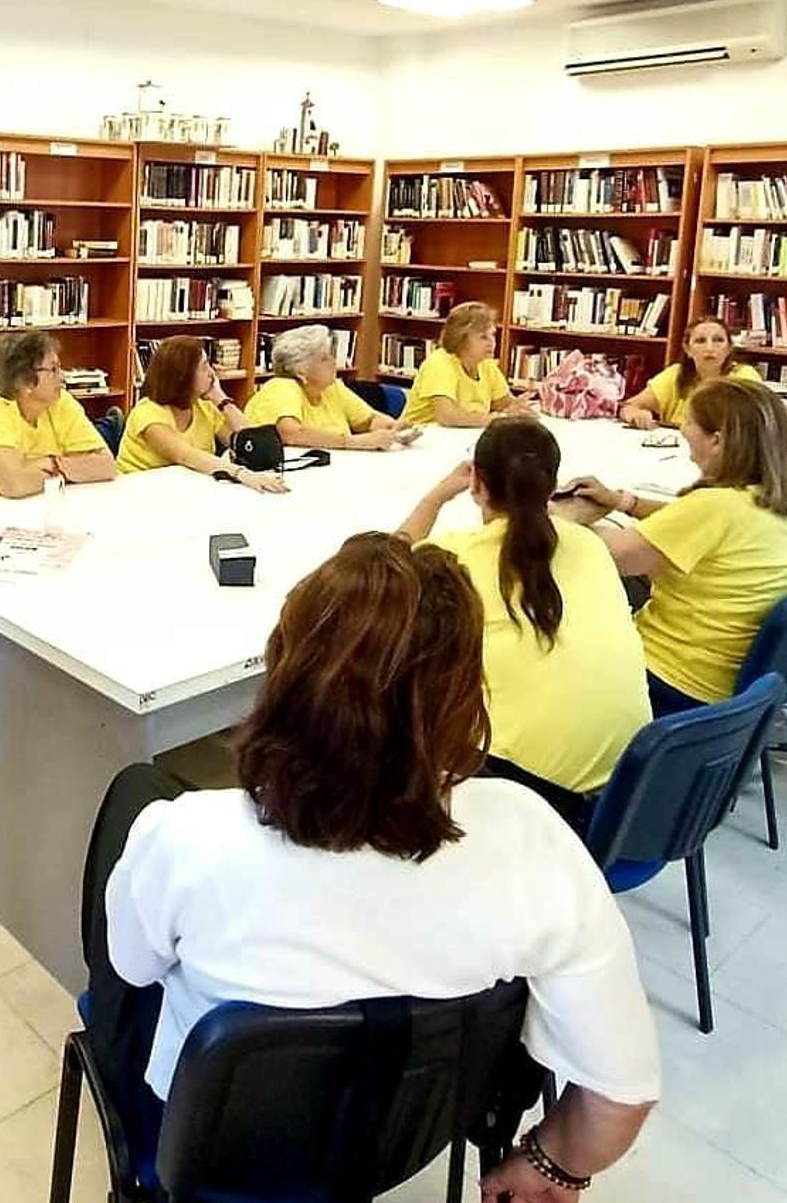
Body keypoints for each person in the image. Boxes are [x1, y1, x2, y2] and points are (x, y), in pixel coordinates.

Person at [106, 533, 658, 1203]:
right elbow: (621, 1091)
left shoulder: (187, 835)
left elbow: (130, 968)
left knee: (135, 813)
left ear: (286, 675)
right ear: (464, 696)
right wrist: (553, 1165)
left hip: (199, 1143)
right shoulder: (531, 837)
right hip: (397, 1150)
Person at [397, 418, 651, 830]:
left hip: (533, 802)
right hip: (632, 791)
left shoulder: (452, 556)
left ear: (477, 484)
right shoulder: (589, 542)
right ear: (552, 488)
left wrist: (436, 497)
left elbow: (383, 563)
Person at [570, 378, 787, 716]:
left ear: (717, 440)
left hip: (671, 677)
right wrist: (623, 502)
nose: (682, 429)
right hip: (725, 681)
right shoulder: (775, 503)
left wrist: (562, 517)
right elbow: (685, 523)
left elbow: (607, 557)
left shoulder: (714, 507)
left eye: (690, 422)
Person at [0, 331, 117, 502]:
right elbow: (14, 485)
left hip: (29, 506)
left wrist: (54, 465)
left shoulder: (60, 401)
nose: (62, 377)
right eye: (53, 369)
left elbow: (107, 466)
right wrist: (71, 470)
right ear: (25, 381)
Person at [115, 336, 287, 492]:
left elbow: (251, 443)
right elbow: (185, 455)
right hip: (138, 491)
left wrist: (221, 399)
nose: (212, 373)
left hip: (185, 489)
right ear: (183, 376)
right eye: (204, 367)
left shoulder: (204, 406)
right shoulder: (148, 412)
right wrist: (241, 474)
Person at [243, 324, 404, 450]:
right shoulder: (282, 386)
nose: (334, 362)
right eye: (324, 359)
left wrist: (396, 431)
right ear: (300, 370)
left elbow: (369, 421)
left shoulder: (332, 387)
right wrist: (355, 442)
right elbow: (291, 433)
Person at [400, 302, 534, 429]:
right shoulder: (439, 363)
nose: (492, 343)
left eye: (492, 335)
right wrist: (498, 418)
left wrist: (518, 407)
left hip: (461, 437)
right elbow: (447, 416)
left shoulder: (486, 363)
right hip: (420, 438)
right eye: (483, 337)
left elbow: (504, 404)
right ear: (461, 339)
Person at [619, 316, 761, 430]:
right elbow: (627, 406)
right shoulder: (675, 375)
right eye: (700, 341)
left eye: (718, 340)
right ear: (688, 349)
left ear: (729, 348)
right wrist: (634, 414)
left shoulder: (745, 377)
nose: (709, 348)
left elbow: (760, 424)